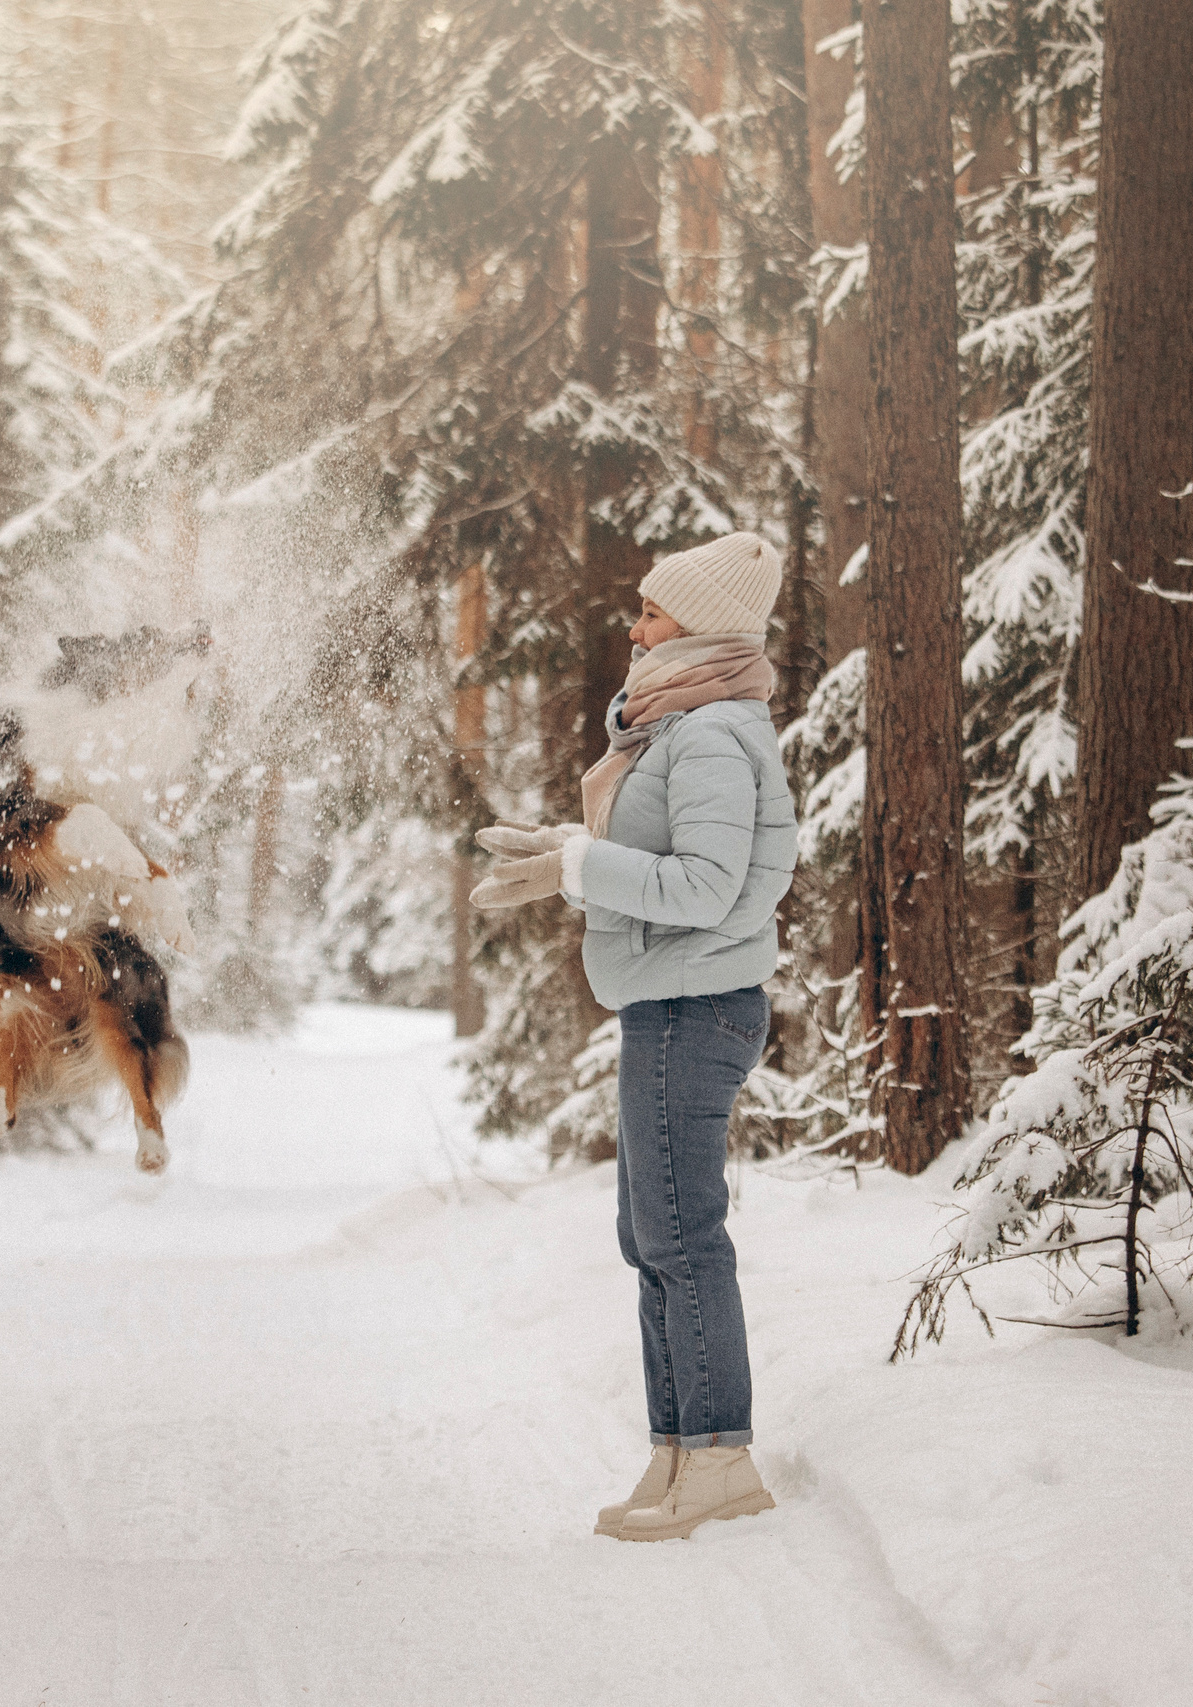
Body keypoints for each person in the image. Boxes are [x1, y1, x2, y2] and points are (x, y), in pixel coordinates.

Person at [470, 531, 798, 1543]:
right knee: (649, 1235)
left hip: (698, 1006)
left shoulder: (708, 736)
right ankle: (678, 1450)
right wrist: (570, 859)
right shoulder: (680, 726)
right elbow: (665, 868)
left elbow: (702, 890)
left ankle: (718, 1457)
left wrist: (579, 865)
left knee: (681, 1236)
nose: (635, 626)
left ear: (695, 630)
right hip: (671, 1002)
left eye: (652, 614)